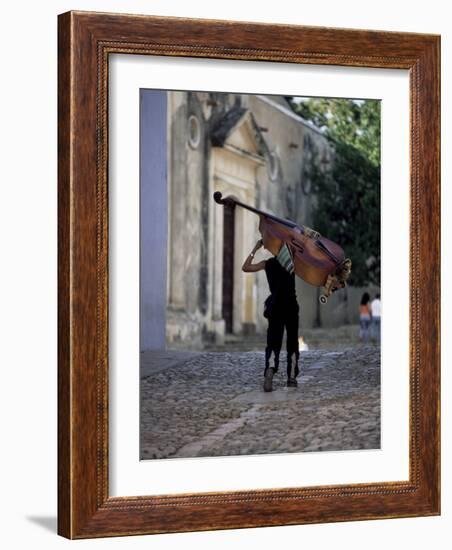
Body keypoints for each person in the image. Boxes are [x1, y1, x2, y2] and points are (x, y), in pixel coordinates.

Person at [242, 239, 300, 392]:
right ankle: (292, 376)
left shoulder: (268, 264)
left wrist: (255, 248)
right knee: (292, 341)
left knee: (273, 342)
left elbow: (245, 267)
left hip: (275, 307)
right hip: (291, 306)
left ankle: (270, 370)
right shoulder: (293, 264)